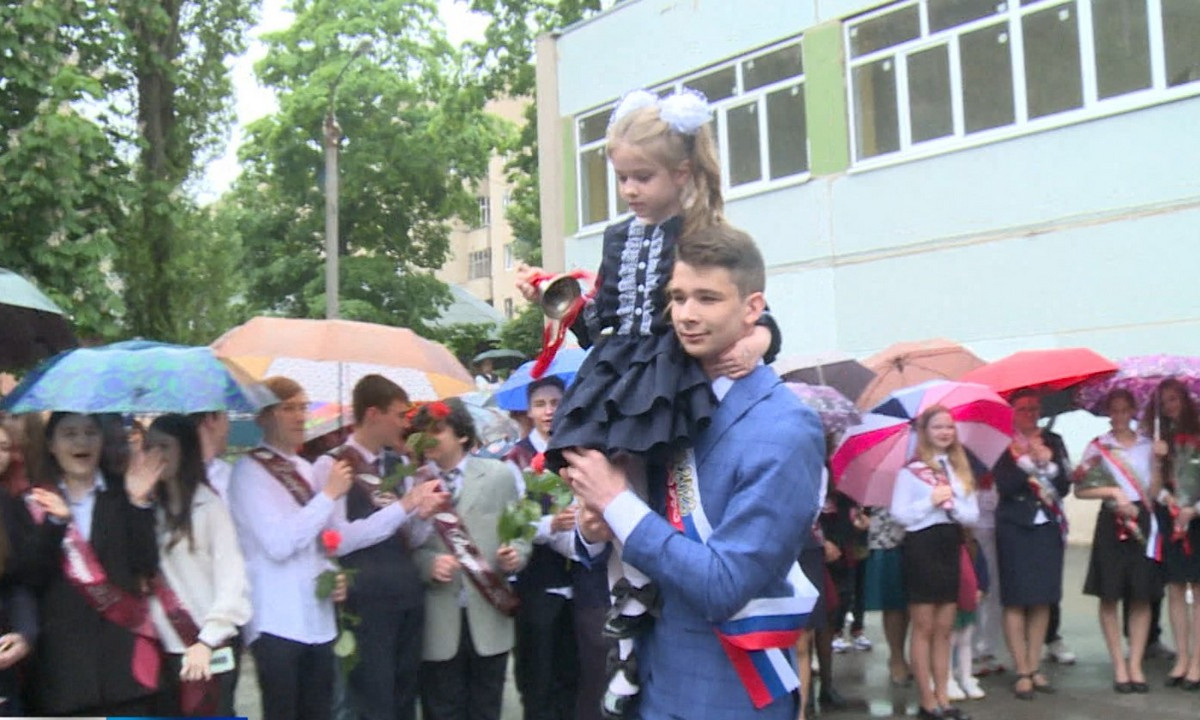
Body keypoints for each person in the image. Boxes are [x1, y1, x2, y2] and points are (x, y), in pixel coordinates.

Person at [515, 87, 782, 712]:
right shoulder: (616, 237)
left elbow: (749, 304)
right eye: (622, 178)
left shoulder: (700, 233)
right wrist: (560, 304)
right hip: (620, 370)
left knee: (639, 488)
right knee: (602, 491)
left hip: (667, 377)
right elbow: (602, 322)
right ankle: (628, 622)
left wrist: (762, 337)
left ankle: (638, 613)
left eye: (642, 176)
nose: (630, 189)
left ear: (682, 174)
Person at [566, 223, 823, 720]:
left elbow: (725, 585)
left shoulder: (786, 428)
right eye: (677, 297)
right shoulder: (661, 399)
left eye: (707, 298)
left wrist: (619, 503)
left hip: (730, 694)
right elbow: (630, 537)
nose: (686, 315)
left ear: (753, 308)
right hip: (654, 682)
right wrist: (595, 527)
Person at [310, 375, 450, 720]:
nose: (405, 423)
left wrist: (424, 515)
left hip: (406, 591)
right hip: (365, 597)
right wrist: (403, 506)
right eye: (399, 415)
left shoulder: (396, 464)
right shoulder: (332, 465)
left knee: (405, 695)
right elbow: (338, 539)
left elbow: (410, 538)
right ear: (373, 414)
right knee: (373, 700)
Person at [227, 376, 355, 720]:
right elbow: (279, 544)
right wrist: (328, 495)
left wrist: (333, 574)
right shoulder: (248, 472)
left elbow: (318, 542)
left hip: (318, 619)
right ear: (264, 417)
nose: (300, 417)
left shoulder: (307, 469)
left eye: (303, 408)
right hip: (277, 619)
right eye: (288, 409)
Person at [25, 412, 162, 716]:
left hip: (127, 673)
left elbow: (147, 564)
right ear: (51, 444)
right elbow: (30, 578)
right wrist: (55, 523)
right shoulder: (35, 502)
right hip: (63, 677)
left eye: (90, 432)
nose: (81, 441)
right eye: (70, 433)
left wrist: (139, 503)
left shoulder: (123, 494)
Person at [413, 398, 530, 720]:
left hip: (489, 611)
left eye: (438, 430)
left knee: (485, 709)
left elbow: (520, 531)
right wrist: (427, 564)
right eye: (424, 431)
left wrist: (515, 554)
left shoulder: (498, 474)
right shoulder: (414, 482)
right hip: (438, 618)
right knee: (441, 709)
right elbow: (402, 547)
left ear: (463, 435)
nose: (429, 438)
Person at [142, 414, 252, 716]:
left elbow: (232, 581)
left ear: (185, 450)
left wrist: (206, 640)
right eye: (148, 447)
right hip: (161, 647)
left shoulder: (210, 506)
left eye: (164, 446)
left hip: (207, 646)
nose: (155, 456)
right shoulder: (145, 509)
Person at [890, 405, 980, 720]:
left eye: (949, 427)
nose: (944, 432)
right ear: (924, 432)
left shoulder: (958, 468)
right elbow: (900, 514)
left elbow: (972, 514)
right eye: (938, 427)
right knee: (924, 626)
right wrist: (930, 501)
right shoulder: (911, 470)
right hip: (921, 546)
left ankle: (944, 697)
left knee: (945, 628)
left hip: (949, 544)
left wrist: (953, 505)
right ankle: (927, 700)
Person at [505, 376, 584, 720]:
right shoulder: (516, 459)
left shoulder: (578, 452)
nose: (549, 411)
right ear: (529, 411)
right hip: (537, 583)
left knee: (573, 676)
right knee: (537, 678)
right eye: (540, 404)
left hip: (581, 583)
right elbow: (513, 525)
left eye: (555, 403)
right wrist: (552, 524)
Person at [1074, 389, 1161, 693]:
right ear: (1108, 413)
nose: (1120, 415)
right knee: (1109, 594)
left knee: (1141, 594)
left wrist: (1160, 461)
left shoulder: (1149, 445)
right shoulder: (1098, 447)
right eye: (1115, 410)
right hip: (1111, 522)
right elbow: (1080, 489)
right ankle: (1119, 665)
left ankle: (1135, 663)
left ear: (1134, 411)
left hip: (1143, 519)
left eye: (1126, 409)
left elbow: (1155, 490)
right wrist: (1112, 493)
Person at [992, 390, 1071, 699]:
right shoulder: (1002, 443)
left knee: (1043, 598)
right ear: (1011, 412)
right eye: (1023, 408)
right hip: (1014, 525)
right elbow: (1006, 486)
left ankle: (1035, 665)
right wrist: (1028, 464)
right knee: (1015, 598)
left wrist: (1048, 465)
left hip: (1047, 526)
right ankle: (1021, 669)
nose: (1030, 413)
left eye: (1034, 408)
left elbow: (1064, 486)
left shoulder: (1054, 440)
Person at [1146, 378, 1200, 688]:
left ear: (1186, 400)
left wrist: (1193, 509)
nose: (1169, 406)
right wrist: (1157, 461)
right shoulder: (1161, 440)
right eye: (1164, 402)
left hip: (1197, 520)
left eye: (1174, 399)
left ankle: (1197, 661)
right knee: (1176, 589)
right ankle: (1181, 656)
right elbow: (1154, 490)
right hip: (1173, 520)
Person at [863, 507, 910, 686]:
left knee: (916, 603)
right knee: (894, 602)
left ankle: (911, 655)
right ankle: (896, 657)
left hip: (920, 533)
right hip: (887, 535)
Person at [190, 411, 232, 501]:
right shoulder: (178, 474)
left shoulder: (228, 473)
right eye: (225, 416)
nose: (229, 427)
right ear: (210, 419)